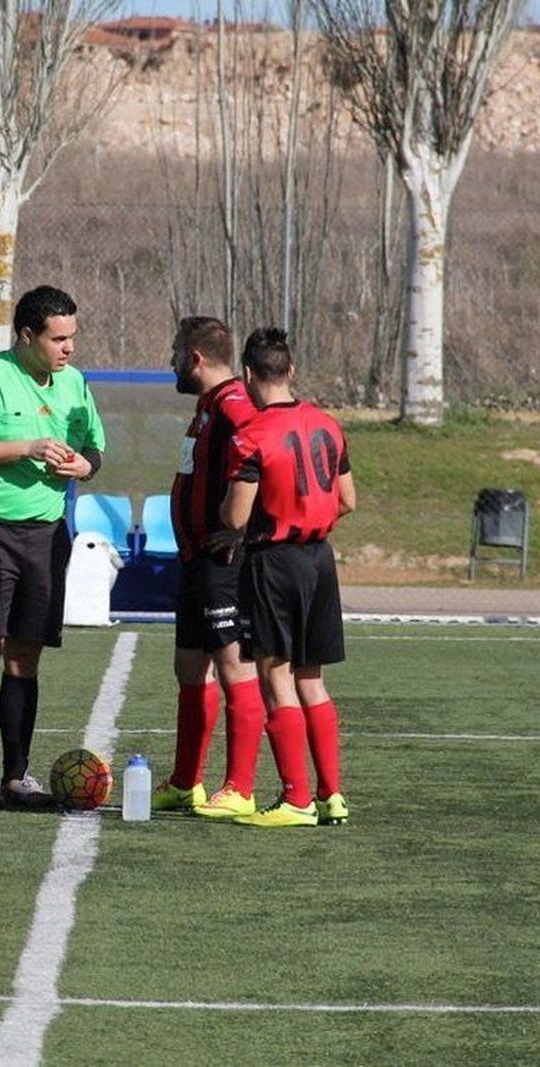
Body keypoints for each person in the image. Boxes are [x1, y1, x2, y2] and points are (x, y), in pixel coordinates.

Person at [0, 285, 107, 809]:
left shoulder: (75, 383)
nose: (69, 348)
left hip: (45, 534)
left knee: (25, 655)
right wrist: (28, 446)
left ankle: (18, 775)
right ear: (26, 336)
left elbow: (93, 448)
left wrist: (84, 465)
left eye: (72, 338)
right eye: (58, 338)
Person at [215, 327, 354, 828]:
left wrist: (229, 529)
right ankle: (331, 795)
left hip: (274, 563)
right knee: (311, 678)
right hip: (319, 559)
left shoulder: (250, 435)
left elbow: (235, 517)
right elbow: (348, 500)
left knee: (276, 677)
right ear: (290, 370)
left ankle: (295, 800)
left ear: (249, 375)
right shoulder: (329, 425)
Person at [151, 316, 271, 819]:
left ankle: (239, 787)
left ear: (196, 358)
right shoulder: (208, 408)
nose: (172, 361)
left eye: (177, 352)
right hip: (197, 560)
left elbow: (265, 455)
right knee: (189, 667)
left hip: (224, 561)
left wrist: (242, 529)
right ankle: (185, 782)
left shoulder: (235, 406)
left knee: (233, 666)